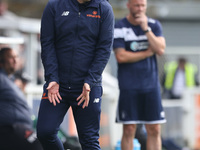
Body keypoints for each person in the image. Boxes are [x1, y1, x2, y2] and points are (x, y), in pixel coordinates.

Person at [36, 0, 114, 150]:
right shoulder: (54, 5)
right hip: (57, 86)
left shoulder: (104, 9)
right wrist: (52, 77)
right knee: (45, 133)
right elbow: (47, 43)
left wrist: (90, 80)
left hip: (87, 88)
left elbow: (104, 49)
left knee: (89, 141)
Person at [113, 0, 166, 149]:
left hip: (151, 86)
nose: (140, 9)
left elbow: (160, 49)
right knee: (129, 129)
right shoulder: (120, 26)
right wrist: (147, 52)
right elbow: (121, 56)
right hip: (129, 87)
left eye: (143, 5)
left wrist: (146, 29)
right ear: (128, 5)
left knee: (154, 129)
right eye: (136, 5)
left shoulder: (154, 25)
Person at [0, 47, 43, 150]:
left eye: (16, 57)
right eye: (10, 57)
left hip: (19, 128)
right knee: (39, 145)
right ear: (1, 61)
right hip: (10, 127)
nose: (15, 60)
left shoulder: (10, 80)